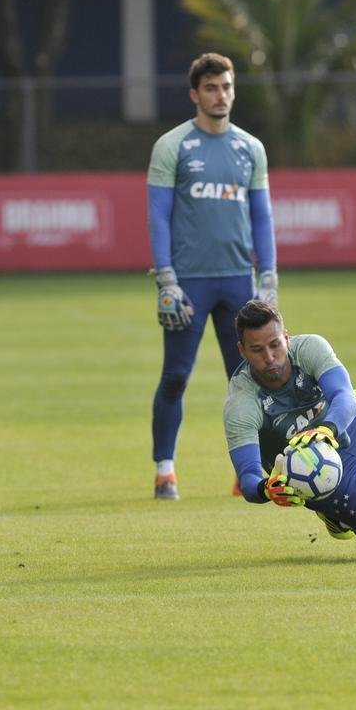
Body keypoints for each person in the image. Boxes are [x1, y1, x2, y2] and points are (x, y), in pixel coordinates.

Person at [147, 53, 278, 500]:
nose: (220, 95)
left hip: (239, 282)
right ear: (194, 94)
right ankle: (165, 470)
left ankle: (250, 474)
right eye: (211, 88)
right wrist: (166, 277)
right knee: (177, 376)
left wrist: (270, 276)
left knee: (248, 378)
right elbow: (159, 215)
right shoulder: (173, 146)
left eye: (226, 87)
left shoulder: (250, 148)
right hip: (188, 284)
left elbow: (261, 216)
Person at [223, 300, 356, 549]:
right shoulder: (241, 403)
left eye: (275, 345)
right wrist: (266, 489)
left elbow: (342, 394)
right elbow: (248, 478)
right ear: (242, 351)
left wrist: (329, 428)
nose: (269, 357)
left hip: (341, 427)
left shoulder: (310, 347)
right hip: (314, 473)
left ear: (286, 338)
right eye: (257, 350)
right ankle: (332, 515)